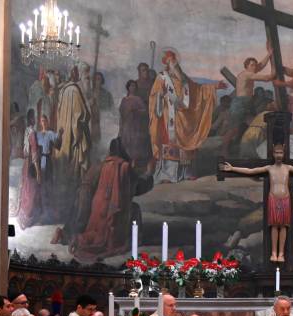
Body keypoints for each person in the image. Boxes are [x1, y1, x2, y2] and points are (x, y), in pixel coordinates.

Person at [222, 144, 293, 263]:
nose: (278, 155)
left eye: (280, 153)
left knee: (283, 228)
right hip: (273, 200)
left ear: (284, 154)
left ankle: (281, 253)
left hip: (284, 200)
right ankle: (273, 253)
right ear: (273, 154)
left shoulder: (287, 168)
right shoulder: (269, 168)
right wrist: (232, 169)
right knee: (274, 227)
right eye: (276, 153)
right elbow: (251, 171)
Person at [148, 49, 226, 183]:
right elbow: (155, 95)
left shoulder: (183, 78)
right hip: (170, 116)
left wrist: (214, 87)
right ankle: (168, 174)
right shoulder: (162, 77)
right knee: (170, 142)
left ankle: (187, 172)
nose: (174, 62)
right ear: (167, 63)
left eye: (175, 60)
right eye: (171, 60)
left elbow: (197, 89)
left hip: (185, 117)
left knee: (187, 140)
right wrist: (161, 97)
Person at [72, 138, 139, 260]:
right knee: (132, 209)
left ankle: (79, 237)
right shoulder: (123, 166)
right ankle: (133, 237)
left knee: (94, 231)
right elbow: (127, 192)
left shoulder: (104, 163)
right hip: (110, 206)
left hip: (97, 205)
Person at [54, 65, 91, 220]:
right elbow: (81, 115)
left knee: (64, 174)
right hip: (74, 138)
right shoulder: (74, 91)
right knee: (75, 175)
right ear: (72, 74)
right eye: (76, 72)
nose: (78, 74)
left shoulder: (62, 92)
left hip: (64, 138)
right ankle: (73, 211)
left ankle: (63, 210)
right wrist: (85, 121)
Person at [119, 80, 152, 171]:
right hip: (126, 125)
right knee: (125, 143)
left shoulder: (138, 99)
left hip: (135, 126)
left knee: (134, 145)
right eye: (131, 86)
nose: (133, 88)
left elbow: (145, 111)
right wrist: (121, 127)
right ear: (128, 87)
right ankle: (126, 164)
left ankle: (133, 164)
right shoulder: (124, 100)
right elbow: (121, 114)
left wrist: (135, 111)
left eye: (134, 86)